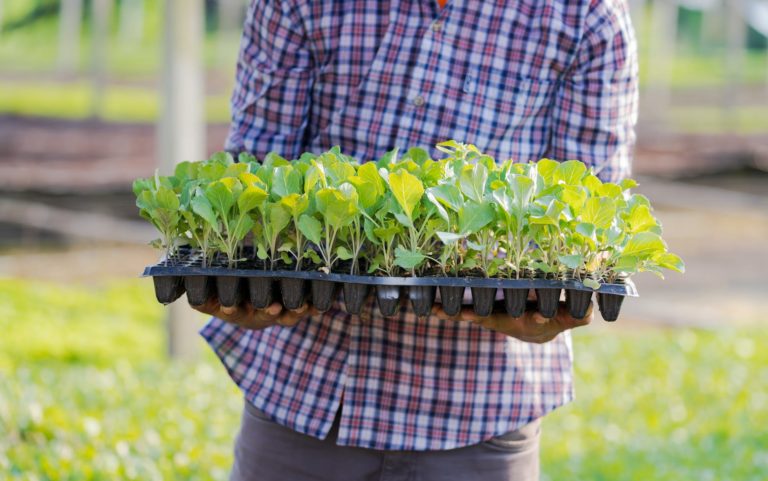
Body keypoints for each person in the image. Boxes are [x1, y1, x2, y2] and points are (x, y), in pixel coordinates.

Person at [193, 0, 638, 479]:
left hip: (480, 411)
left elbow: (589, 210)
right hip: (308, 393)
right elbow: (254, 174)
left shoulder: (587, 14)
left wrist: (557, 303)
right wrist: (241, 280)